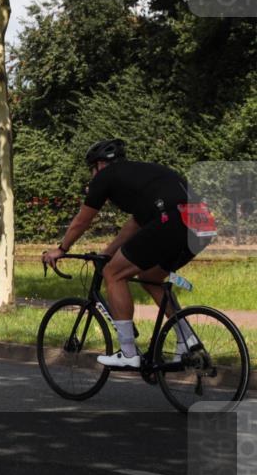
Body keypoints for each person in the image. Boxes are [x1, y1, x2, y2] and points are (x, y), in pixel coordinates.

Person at [41, 139, 215, 369]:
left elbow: (83, 220)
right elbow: (134, 225)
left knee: (113, 274)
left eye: (92, 170)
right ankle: (187, 340)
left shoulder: (106, 176)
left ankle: (128, 352)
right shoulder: (142, 175)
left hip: (171, 220)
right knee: (150, 278)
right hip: (202, 224)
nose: (93, 176)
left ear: (100, 165)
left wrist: (61, 249)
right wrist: (107, 253)